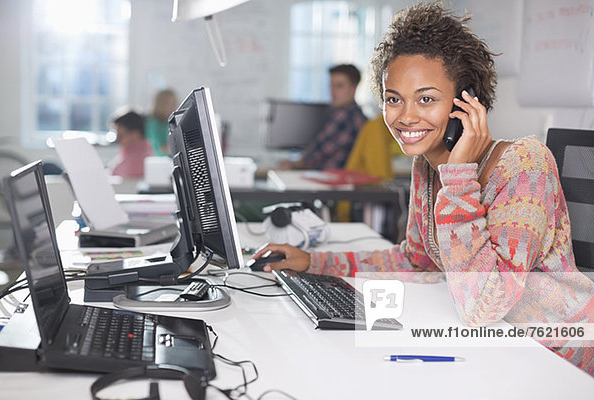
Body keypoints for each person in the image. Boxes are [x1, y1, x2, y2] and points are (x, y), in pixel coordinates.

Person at [254, 3, 594, 375]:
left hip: (554, 357)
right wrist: (316, 263)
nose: (405, 116)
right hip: (489, 347)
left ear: (465, 103)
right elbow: (416, 263)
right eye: (393, 98)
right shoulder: (426, 167)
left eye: (426, 99)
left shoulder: (525, 164)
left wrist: (459, 177)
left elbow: (484, 305)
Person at [283, 64, 367, 170]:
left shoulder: (344, 116)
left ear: (353, 88)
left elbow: (318, 152)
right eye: (331, 85)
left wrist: (295, 164)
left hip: (331, 179)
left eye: (339, 86)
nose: (333, 91)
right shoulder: (360, 116)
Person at [109, 110, 153, 179]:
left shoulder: (137, 162)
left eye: (121, 136)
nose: (118, 141)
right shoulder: (128, 154)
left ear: (135, 135)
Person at [146, 89, 178, 156]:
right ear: (161, 104)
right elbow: (161, 148)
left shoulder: (170, 121)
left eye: (174, 103)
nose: (173, 106)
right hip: (161, 161)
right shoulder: (153, 124)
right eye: (170, 103)